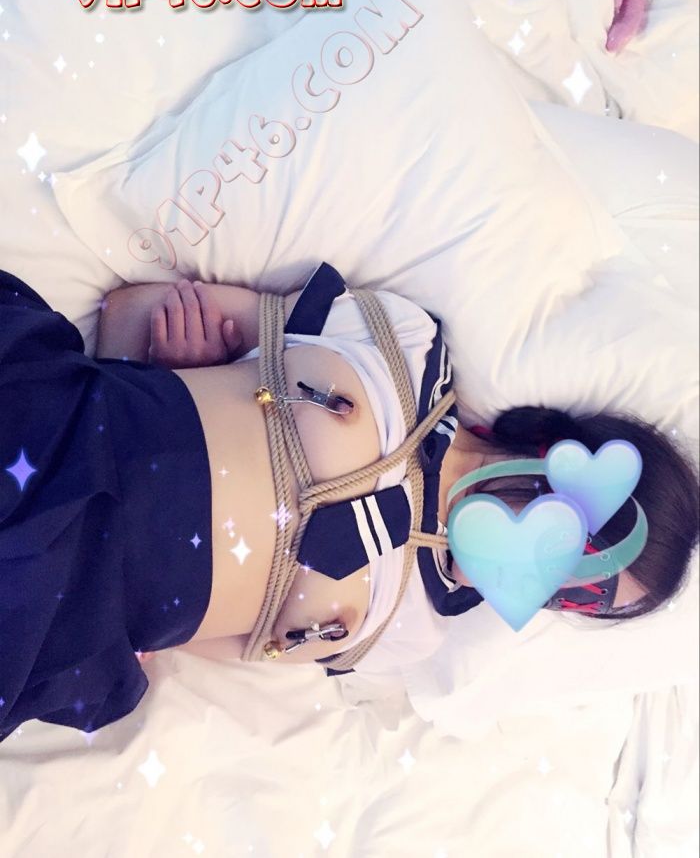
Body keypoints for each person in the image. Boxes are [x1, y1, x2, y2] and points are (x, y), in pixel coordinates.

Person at [1, 261, 698, 740]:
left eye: (582, 601)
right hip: (56, 434)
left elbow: (194, 644)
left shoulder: (411, 629)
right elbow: (136, 306)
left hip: (62, 611)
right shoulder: (409, 346)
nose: (553, 584)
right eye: (580, 550)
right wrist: (155, 375)